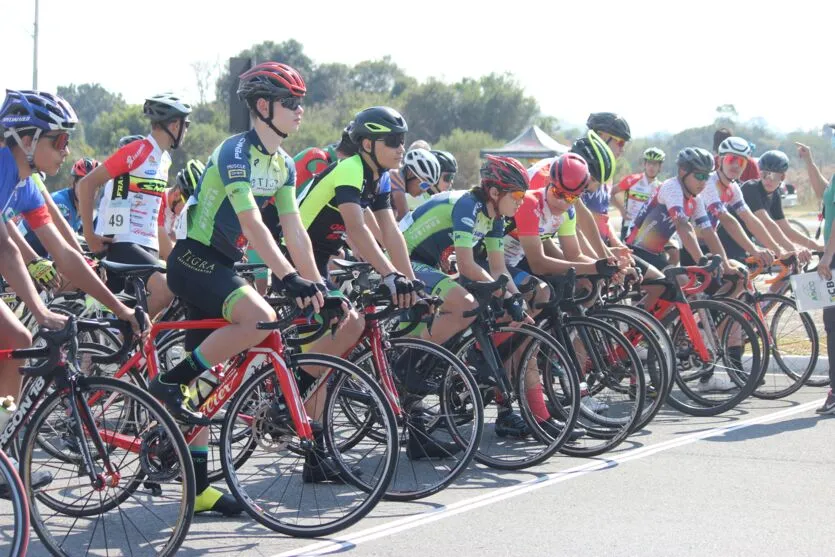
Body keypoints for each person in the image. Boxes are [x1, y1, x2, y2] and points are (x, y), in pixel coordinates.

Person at [0, 88, 144, 433]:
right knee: (20, 334)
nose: (66, 150)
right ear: (27, 139)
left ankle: (2, 436)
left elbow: (65, 253)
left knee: (18, 341)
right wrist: (41, 312)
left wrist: (119, 308)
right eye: (60, 140)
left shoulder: (25, 183)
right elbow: (5, 249)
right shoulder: (3, 167)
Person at [78, 93, 191, 318]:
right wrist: (91, 236)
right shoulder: (139, 150)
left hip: (147, 244)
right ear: (175, 124)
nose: (186, 131)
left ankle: (124, 342)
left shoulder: (164, 159)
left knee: (170, 292)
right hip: (124, 242)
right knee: (165, 291)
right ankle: (124, 335)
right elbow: (86, 184)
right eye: (186, 125)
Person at [679, 136, 773, 270]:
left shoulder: (733, 188)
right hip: (690, 247)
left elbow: (749, 218)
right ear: (720, 160)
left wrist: (778, 251)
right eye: (731, 159)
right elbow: (727, 220)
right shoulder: (708, 182)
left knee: (741, 277)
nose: (736, 165)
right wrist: (755, 251)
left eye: (741, 162)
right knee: (737, 276)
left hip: (709, 246)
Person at [20, 157, 99, 258]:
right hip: (25, 249)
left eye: (94, 187)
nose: (88, 191)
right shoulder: (61, 203)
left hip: (40, 253)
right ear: (73, 183)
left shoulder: (82, 209)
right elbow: (61, 244)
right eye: (84, 184)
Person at [613, 147, 664, 240]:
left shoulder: (661, 187)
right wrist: (621, 210)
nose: (651, 167)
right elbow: (611, 193)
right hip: (628, 226)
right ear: (645, 164)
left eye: (655, 164)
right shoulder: (632, 180)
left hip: (648, 230)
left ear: (660, 167)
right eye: (649, 163)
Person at [391, 148, 441, 220]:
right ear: (410, 173)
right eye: (425, 185)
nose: (425, 191)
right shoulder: (395, 176)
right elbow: (406, 220)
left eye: (428, 187)